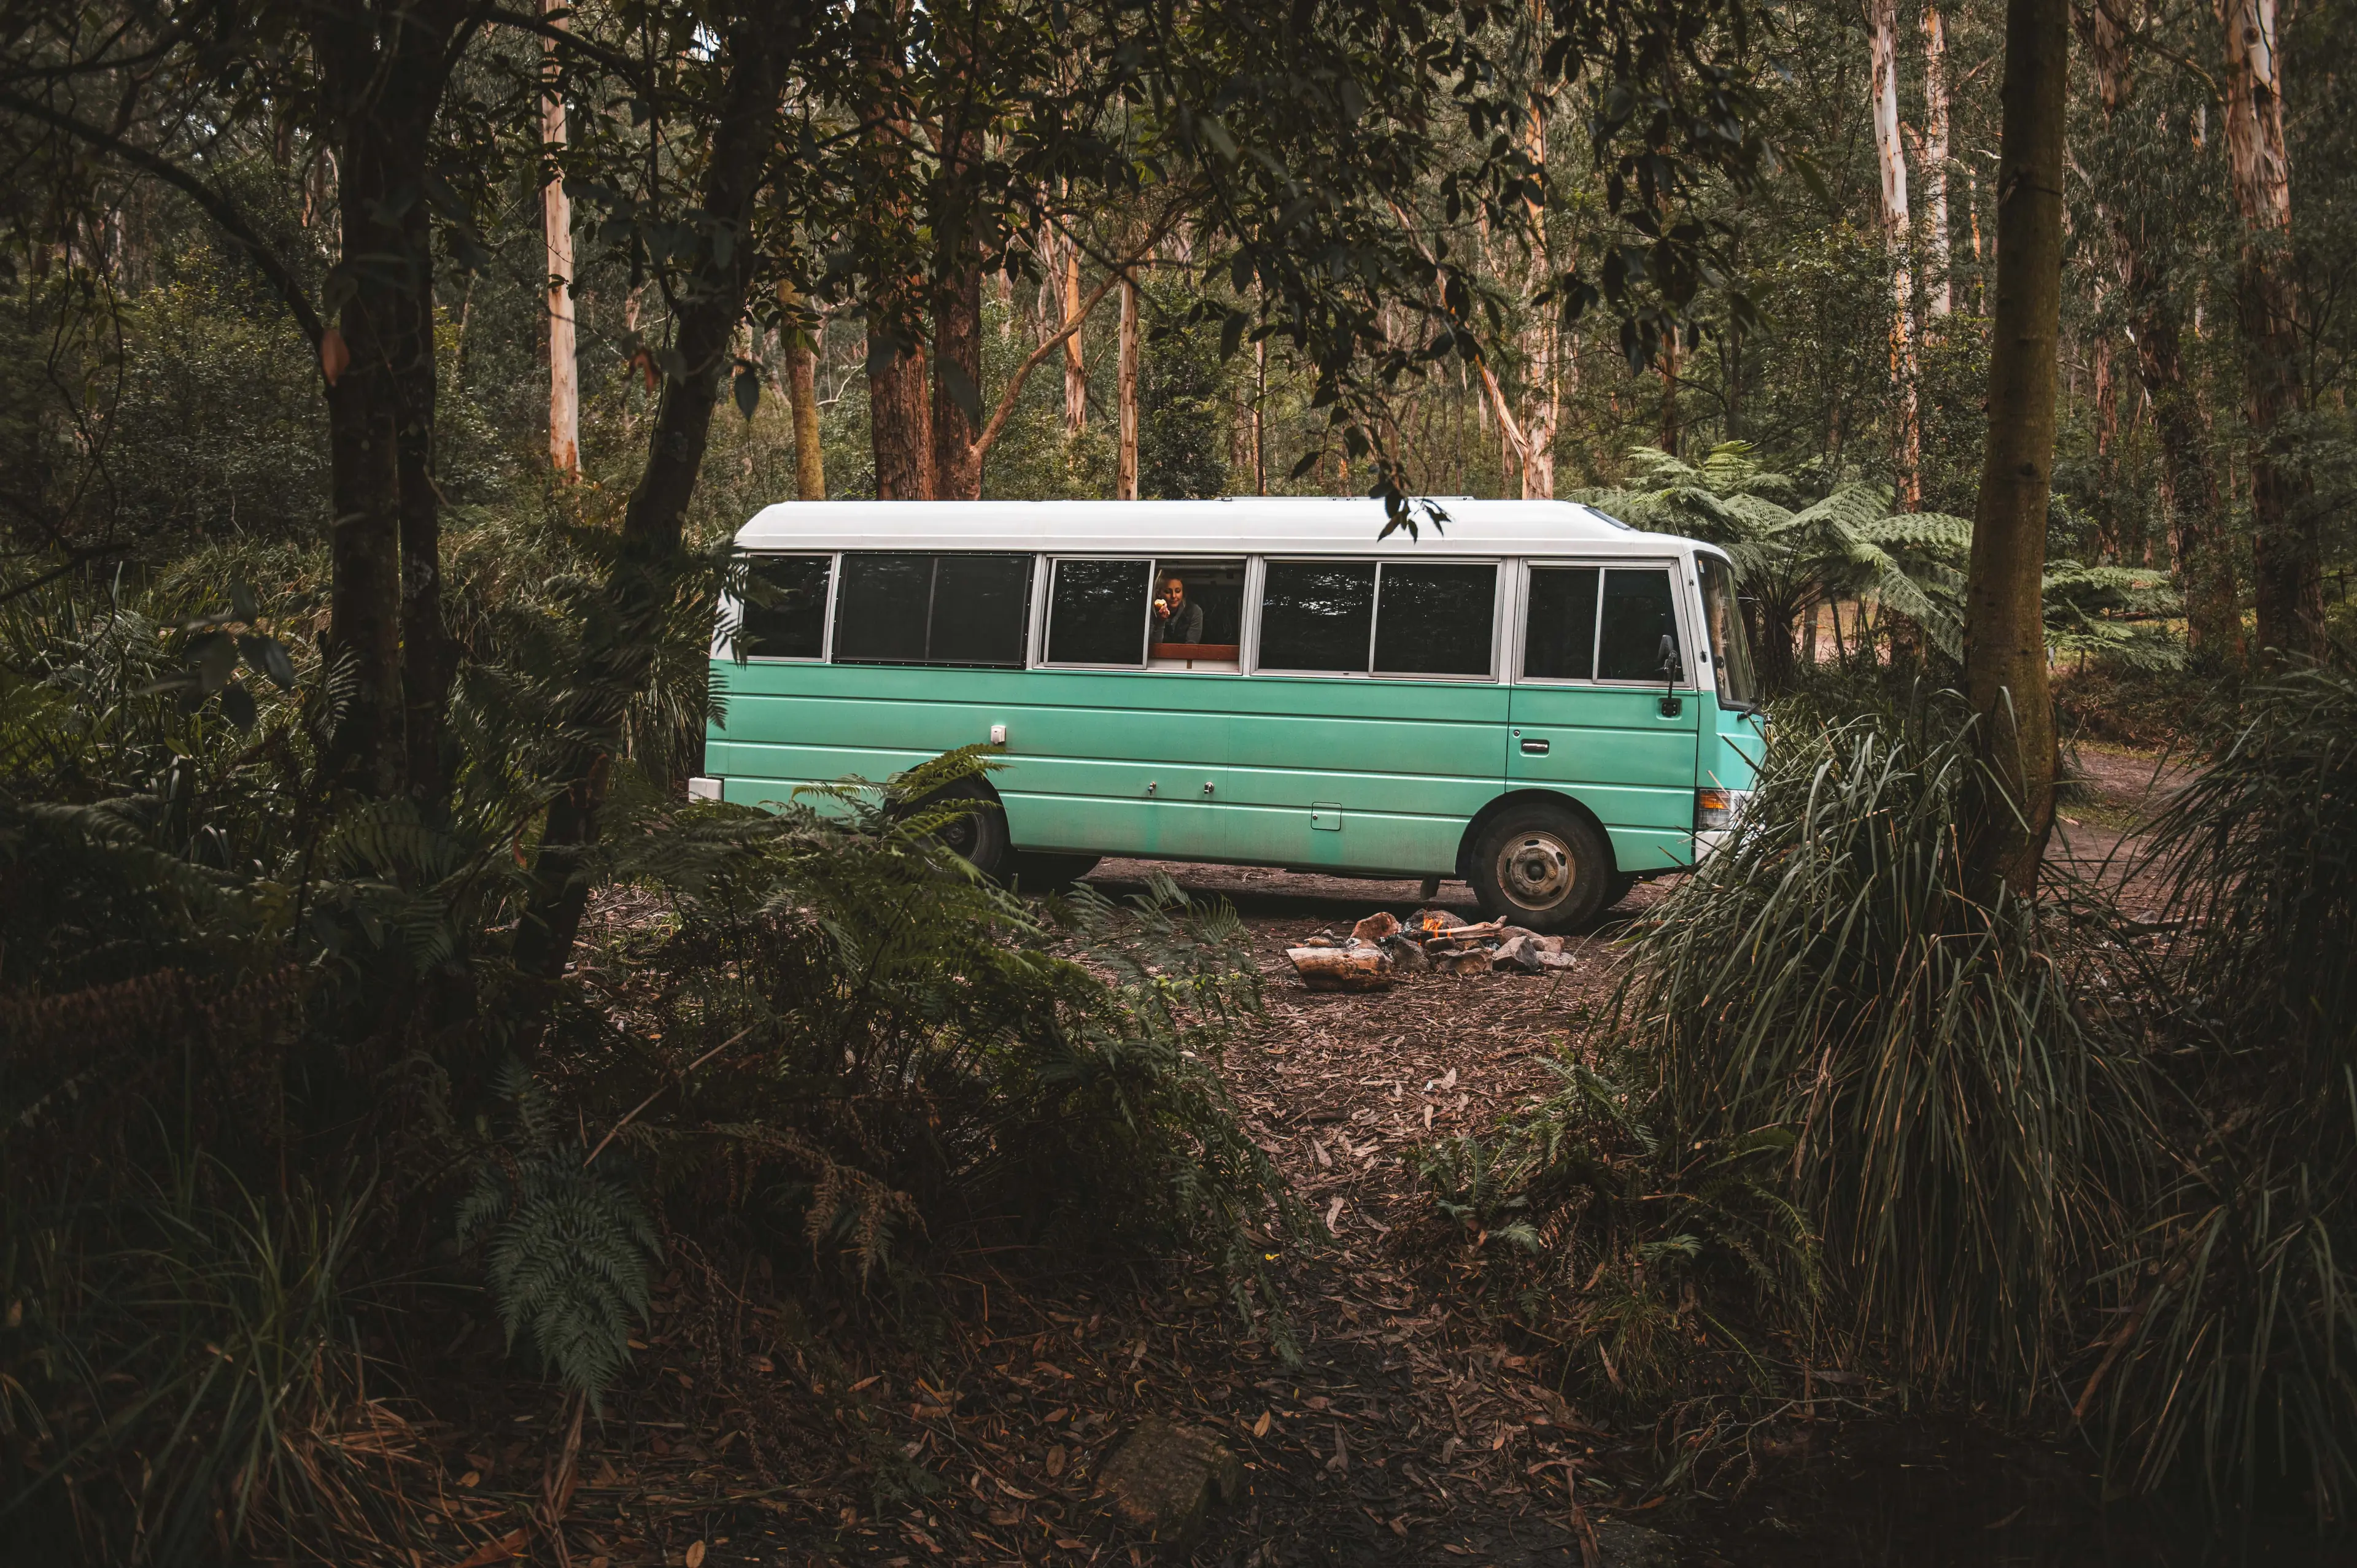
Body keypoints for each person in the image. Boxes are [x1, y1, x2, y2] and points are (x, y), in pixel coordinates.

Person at [1151, 574, 1204, 646]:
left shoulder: (1194, 611)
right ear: (1159, 593)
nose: (1174, 596)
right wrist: (1161, 622)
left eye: (1178, 591)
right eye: (1168, 592)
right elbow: (1153, 647)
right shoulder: (1151, 611)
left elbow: (1191, 646)